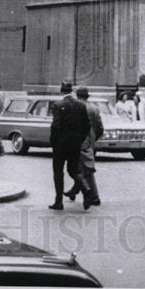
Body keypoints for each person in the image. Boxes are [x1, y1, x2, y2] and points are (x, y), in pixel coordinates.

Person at [48, 81, 90, 210]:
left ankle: (58, 201)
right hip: (75, 143)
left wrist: (53, 141)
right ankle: (86, 188)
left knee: (58, 172)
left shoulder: (58, 105)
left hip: (60, 144)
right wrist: (79, 139)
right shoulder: (81, 105)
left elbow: (55, 126)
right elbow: (87, 126)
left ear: (61, 91)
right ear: (71, 90)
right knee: (73, 170)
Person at [66, 87, 104, 209]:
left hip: (80, 142)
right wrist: (93, 139)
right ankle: (74, 191)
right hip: (91, 141)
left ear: (78, 96)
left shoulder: (77, 107)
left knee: (83, 169)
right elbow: (100, 128)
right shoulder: (95, 108)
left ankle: (94, 196)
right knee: (82, 168)